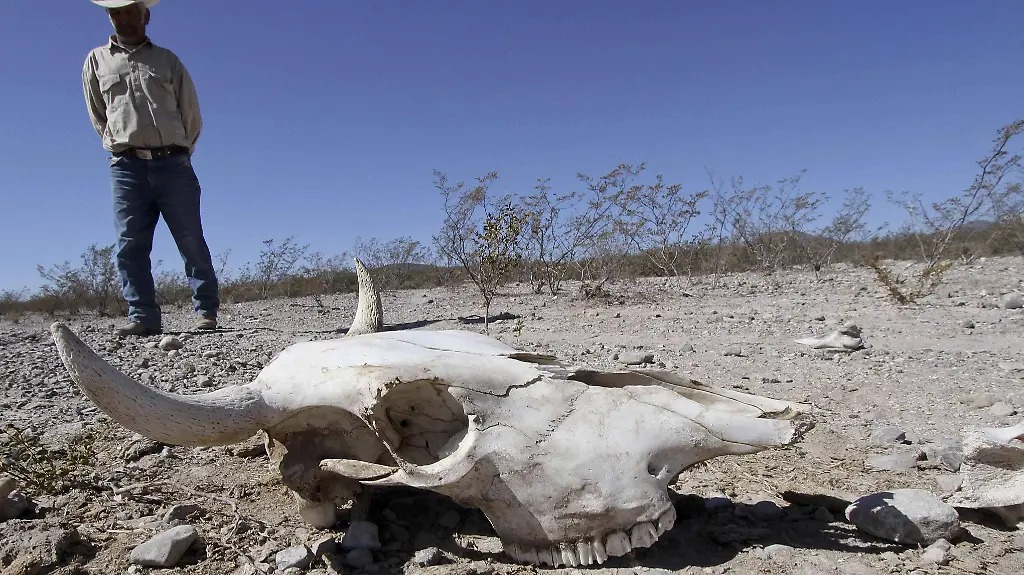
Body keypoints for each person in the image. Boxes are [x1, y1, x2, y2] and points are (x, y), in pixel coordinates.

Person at [82, 0, 219, 336]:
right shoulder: (96, 61)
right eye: (116, 13)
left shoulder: (167, 60)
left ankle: (206, 312)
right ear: (109, 18)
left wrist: (180, 151)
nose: (123, 19)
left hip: (173, 164)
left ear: (146, 16)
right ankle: (143, 316)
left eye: (130, 12)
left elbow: (191, 115)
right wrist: (123, 144)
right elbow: (99, 115)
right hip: (126, 168)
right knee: (130, 244)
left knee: (190, 239)